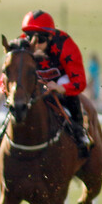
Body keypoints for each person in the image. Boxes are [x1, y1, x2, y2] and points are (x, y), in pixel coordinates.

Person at [14, 9, 91, 156]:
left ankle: (79, 131)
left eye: (40, 39)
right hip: (35, 83)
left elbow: (79, 82)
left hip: (61, 80)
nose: (35, 44)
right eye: (30, 38)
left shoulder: (65, 45)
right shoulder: (21, 46)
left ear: (50, 36)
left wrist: (61, 88)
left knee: (64, 85)